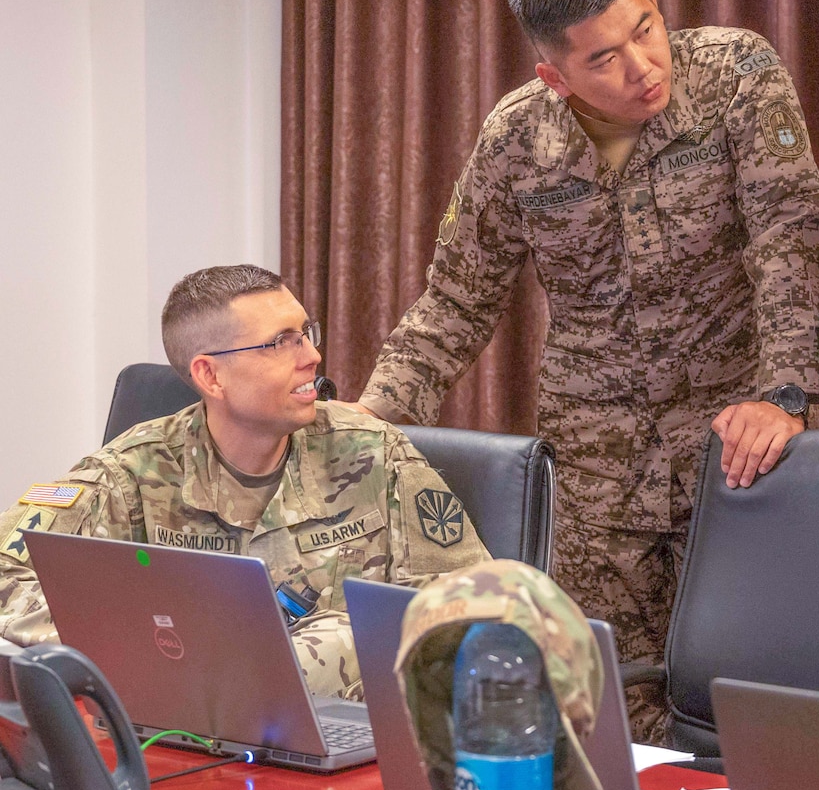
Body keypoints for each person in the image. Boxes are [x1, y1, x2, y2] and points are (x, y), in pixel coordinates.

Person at [354, 0, 819, 740]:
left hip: (740, 448)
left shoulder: (735, 74)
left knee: (757, 698)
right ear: (554, 76)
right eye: (605, 58)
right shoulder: (517, 139)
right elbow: (457, 301)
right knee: (605, 701)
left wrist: (785, 395)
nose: (643, 65)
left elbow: (791, 243)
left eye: (646, 28)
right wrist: (369, 421)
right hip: (597, 472)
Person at [0, 265, 490, 699]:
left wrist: (313, 653)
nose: (313, 356)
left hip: (352, 743)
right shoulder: (136, 472)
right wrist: (152, 641)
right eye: (281, 342)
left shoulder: (375, 450)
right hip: (191, 738)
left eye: (306, 332)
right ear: (211, 376)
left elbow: (471, 599)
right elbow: (7, 572)